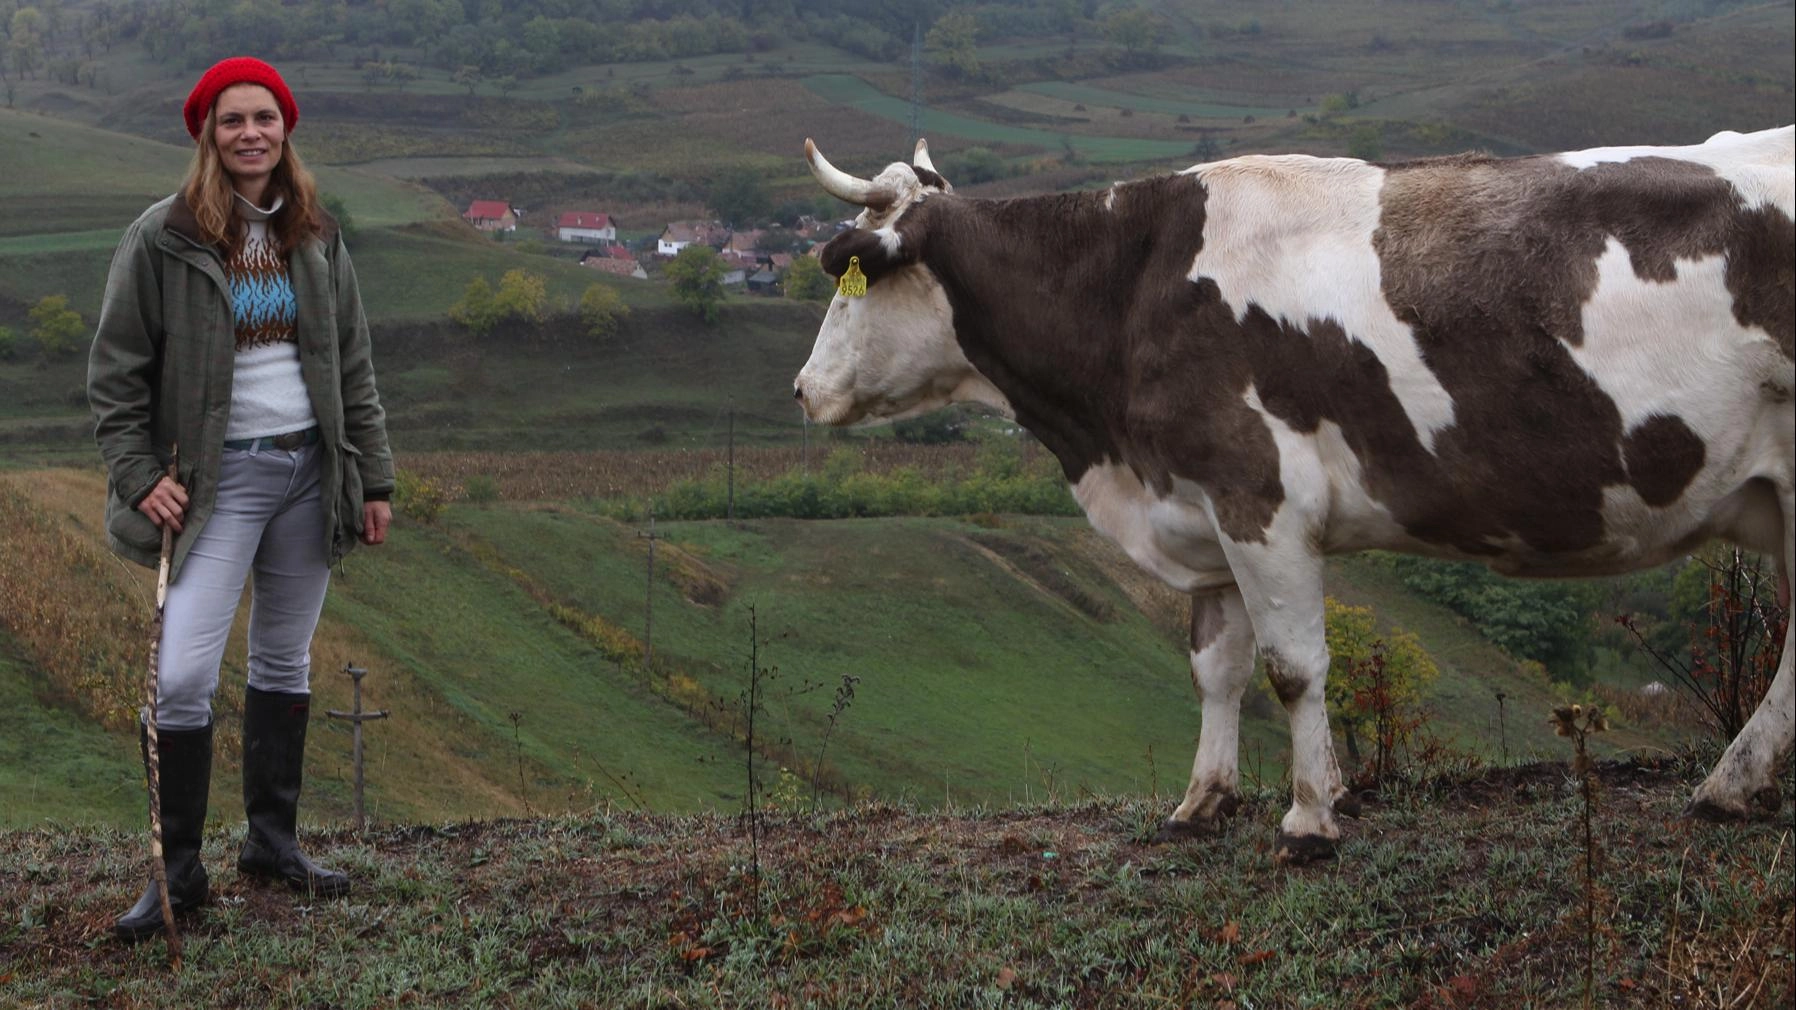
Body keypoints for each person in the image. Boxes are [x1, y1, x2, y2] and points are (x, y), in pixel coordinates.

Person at [87, 56, 395, 942]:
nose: (251, 133)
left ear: (285, 129)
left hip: (309, 472)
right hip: (215, 485)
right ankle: (177, 873)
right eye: (232, 121)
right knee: (182, 673)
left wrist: (373, 479)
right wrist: (142, 478)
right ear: (207, 136)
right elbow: (114, 376)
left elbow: (354, 368)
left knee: (283, 658)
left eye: (265, 117)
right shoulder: (162, 238)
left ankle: (272, 846)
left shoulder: (317, 235)